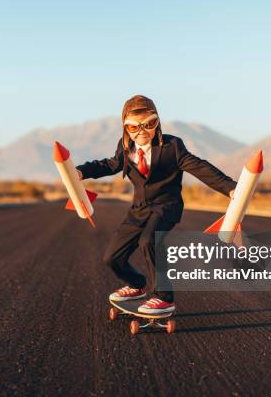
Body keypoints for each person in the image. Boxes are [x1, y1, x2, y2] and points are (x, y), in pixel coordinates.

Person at [76, 95, 236, 315]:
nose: (141, 131)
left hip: (166, 207)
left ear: (157, 123)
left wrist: (230, 187)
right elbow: (109, 165)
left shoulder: (172, 146)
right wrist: (81, 172)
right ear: (125, 128)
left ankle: (163, 297)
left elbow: (200, 167)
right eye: (134, 127)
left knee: (148, 240)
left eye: (149, 124)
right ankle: (137, 284)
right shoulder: (125, 148)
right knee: (112, 257)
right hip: (138, 210)